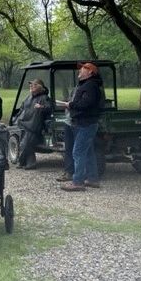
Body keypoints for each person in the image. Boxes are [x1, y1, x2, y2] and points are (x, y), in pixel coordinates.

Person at [60, 62, 104, 192]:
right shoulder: (88, 85)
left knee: (77, 152)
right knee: (88, 152)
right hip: (85, 122)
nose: (79, 70)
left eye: (83, 68)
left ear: (90, 72)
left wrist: (71, 105)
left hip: (86, 123)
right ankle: (92, 179)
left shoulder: (90, 85)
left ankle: (78, 182)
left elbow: (86, 103)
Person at [14, 79, 53, 169]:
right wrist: (17, 118)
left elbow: (49, 108)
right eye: (31, 85)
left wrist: (41, 107)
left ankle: (23, 162)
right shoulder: (29, 97)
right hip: (24, 124)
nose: (31, 86)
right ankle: (29, 163)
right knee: (26, 144)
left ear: (40, 87)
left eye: (34, 85)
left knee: (26, 144)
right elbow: (22, 108)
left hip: (34, 125)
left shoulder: (44, 97)